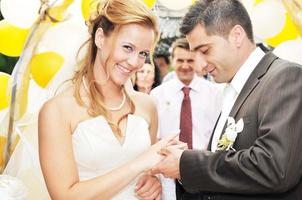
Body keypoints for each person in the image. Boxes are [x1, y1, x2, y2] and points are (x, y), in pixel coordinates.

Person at [151, 0, 302, 200]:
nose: (201, 66)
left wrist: (185, 163)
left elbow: (274, 167)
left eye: (204, 51)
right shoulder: (232, 89)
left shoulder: (284, 77)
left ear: (236, 36)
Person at [38, 0, 181, 199]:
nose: (134, 62)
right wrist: (139, 164)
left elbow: (146, 173)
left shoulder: (147, 106)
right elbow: (64, 196)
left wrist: (151, 181)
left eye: (143, 53)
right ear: (100, 38)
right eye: (127, 47)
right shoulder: (57, 110)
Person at [150, 38, 221, 200]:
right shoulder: (157, 95)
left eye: (190, 60)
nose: (185, 65)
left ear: (197, 61)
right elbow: (153, 137)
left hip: (203, 171)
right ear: (172, 61)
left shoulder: (214, 94)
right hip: (169, 175)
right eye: (180, 60)